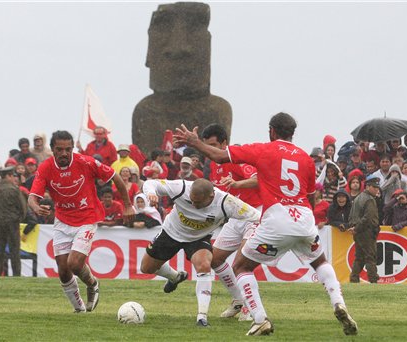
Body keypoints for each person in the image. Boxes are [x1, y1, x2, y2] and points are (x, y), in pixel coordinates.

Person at [174, 112, 358, 336]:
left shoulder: (264, 149)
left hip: (274, 216)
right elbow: (310, 197)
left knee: (241, 266)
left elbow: (221, 156)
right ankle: (338, 303)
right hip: (303, 216)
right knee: (319, 261)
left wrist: (195, 143)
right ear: (292, 133)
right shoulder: (305, 158)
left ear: (271, 130)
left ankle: (259, 318)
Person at [28, 130, 134, 313]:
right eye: (59, 149)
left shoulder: (86, 162)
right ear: (52, 149)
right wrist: (36, 207)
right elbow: (32, 197)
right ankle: (79, 310)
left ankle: (92, 283)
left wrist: (127, 205)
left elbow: (115, 177)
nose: (64, 153)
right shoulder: (45, 167)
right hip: (62, 221)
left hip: (87, 217)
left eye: (68, 149)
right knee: (63, 270)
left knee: (75, 263)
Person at [140, 178, 261, 327]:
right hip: (171, 232)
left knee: (204, 265)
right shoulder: (181, 188)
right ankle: (176, 277)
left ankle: (202, 317)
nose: (194, 205)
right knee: (146, 268)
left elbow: (256, 216)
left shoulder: (226, 203)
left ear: (211, 197)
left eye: (198, 203)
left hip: (198, 238)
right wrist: (151, 193)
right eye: (192, 201)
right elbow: (150, 183)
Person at [132, 2, 232, 155]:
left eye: (194, 28)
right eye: (164, 27)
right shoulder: (145, 112)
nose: (179, 47)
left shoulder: (217, 110)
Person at [200, 122, 262, 321]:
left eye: (213, 145)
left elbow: (258, 179)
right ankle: (238, 300)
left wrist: (237, 183)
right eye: (206, 145)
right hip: (236, 216)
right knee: (215, 259)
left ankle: (250, 310)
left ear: (224, 143)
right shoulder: (212, 163)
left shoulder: (236, 157)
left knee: (242, 263)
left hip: (254, 214)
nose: (210, 150)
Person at [0, 167, 27, 276]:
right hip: (12, 222)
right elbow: (23, 207)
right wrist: (19, 218)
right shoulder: (14, 189)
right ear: (9, 176)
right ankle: (16, 274)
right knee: (14, 250)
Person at [347, 175, 380, 283]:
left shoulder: (358, 198)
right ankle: (373, 278)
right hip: (366, 231)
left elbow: (351, 215)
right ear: (368, 186)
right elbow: (368, 218)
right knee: (370, 256)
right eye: (375, 187)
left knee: (359, 257)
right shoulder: (369, 199)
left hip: (358, 231)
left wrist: (354, 228)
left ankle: (354, 277)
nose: (376, 190)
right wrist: (357, 228)